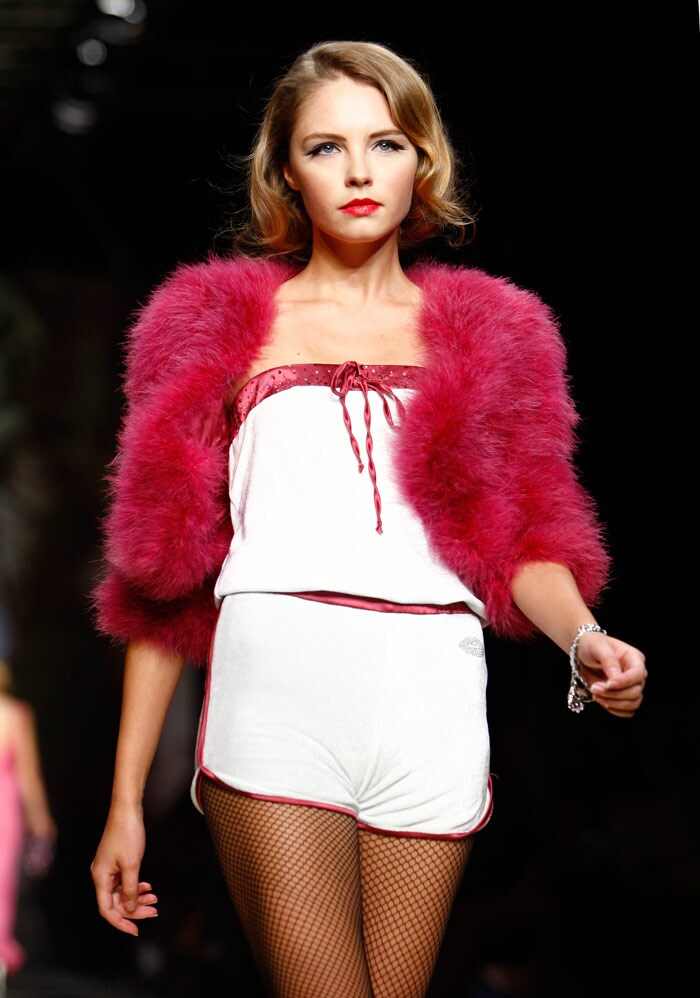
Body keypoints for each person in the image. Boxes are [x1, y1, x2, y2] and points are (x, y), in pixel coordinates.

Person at [89, 39, 647, 998]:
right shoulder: (211, 322)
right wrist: (125, 801)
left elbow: (529, 539)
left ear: (423, 159)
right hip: (279, 691)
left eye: (385, 143)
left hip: (433, 700)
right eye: (325, 147)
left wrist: (586, 639)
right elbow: (162, 576)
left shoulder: (499, 332)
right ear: (285, 172)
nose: (357, 172)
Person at [0, 657, 57, 984]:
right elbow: (28, 775)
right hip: (5, 812)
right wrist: (40, 818)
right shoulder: (16, 714)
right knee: (2, 883)